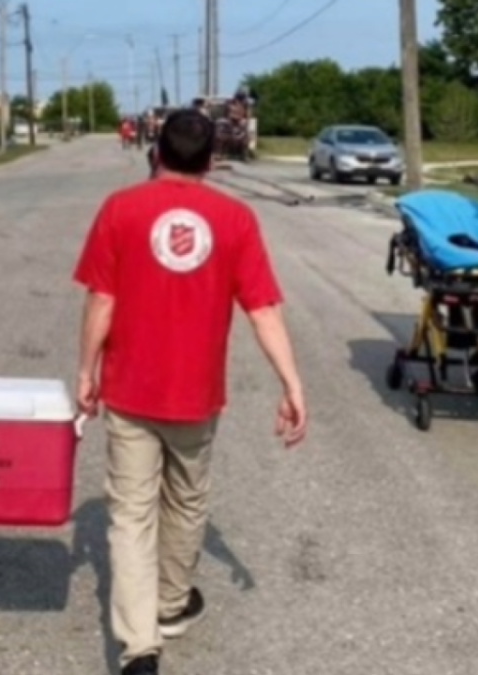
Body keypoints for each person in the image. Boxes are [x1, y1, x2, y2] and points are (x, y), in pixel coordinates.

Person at [71, 109, 307, 675]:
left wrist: (86, 370)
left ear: (155, 151)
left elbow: (101, 300)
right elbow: (262, 308)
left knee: (130, 514)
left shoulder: (120, 209)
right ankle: (171, 603)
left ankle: (139, 647)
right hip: (197, 393)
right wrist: (291, 383)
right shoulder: (235, 218)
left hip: (130, 388)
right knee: (186, 499)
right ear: (210, 159)